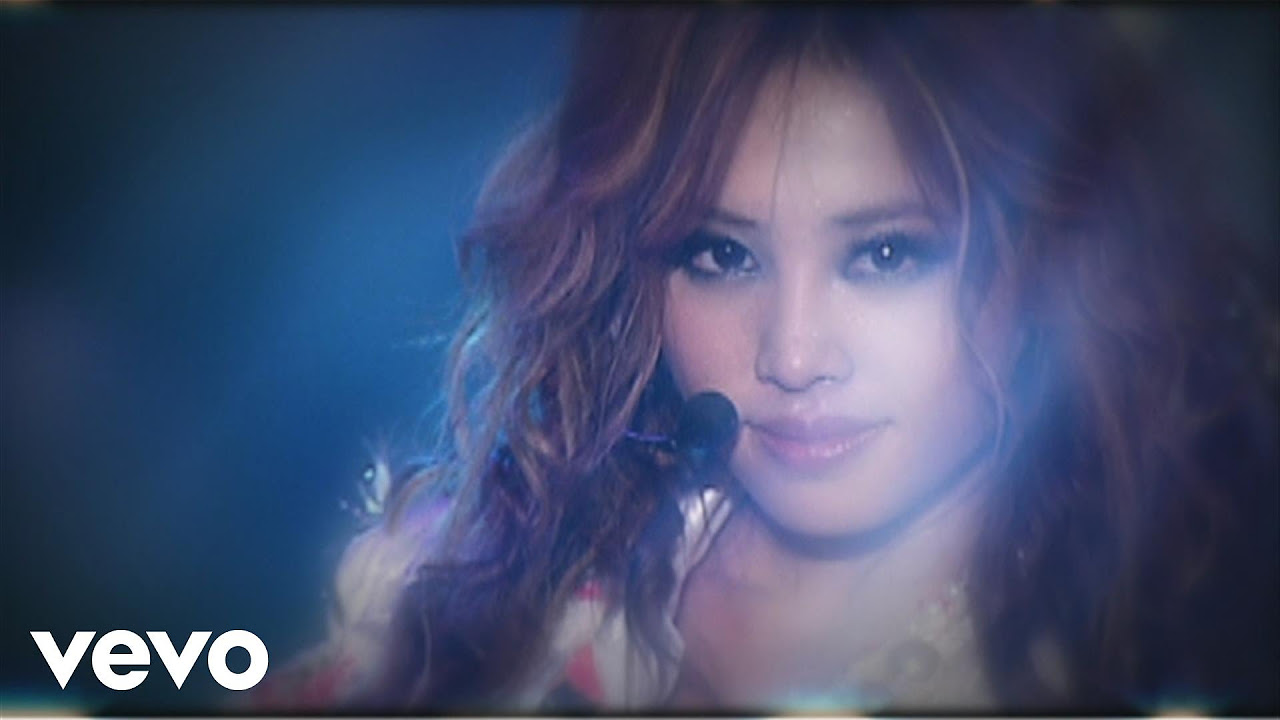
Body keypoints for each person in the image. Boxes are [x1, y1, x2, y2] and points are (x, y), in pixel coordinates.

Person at [255, 6, 1278, 714]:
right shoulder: (506, 570)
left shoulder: (1137, 662)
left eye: (886, 254)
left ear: (1049, 263)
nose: (791, 354)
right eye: (721, 253)